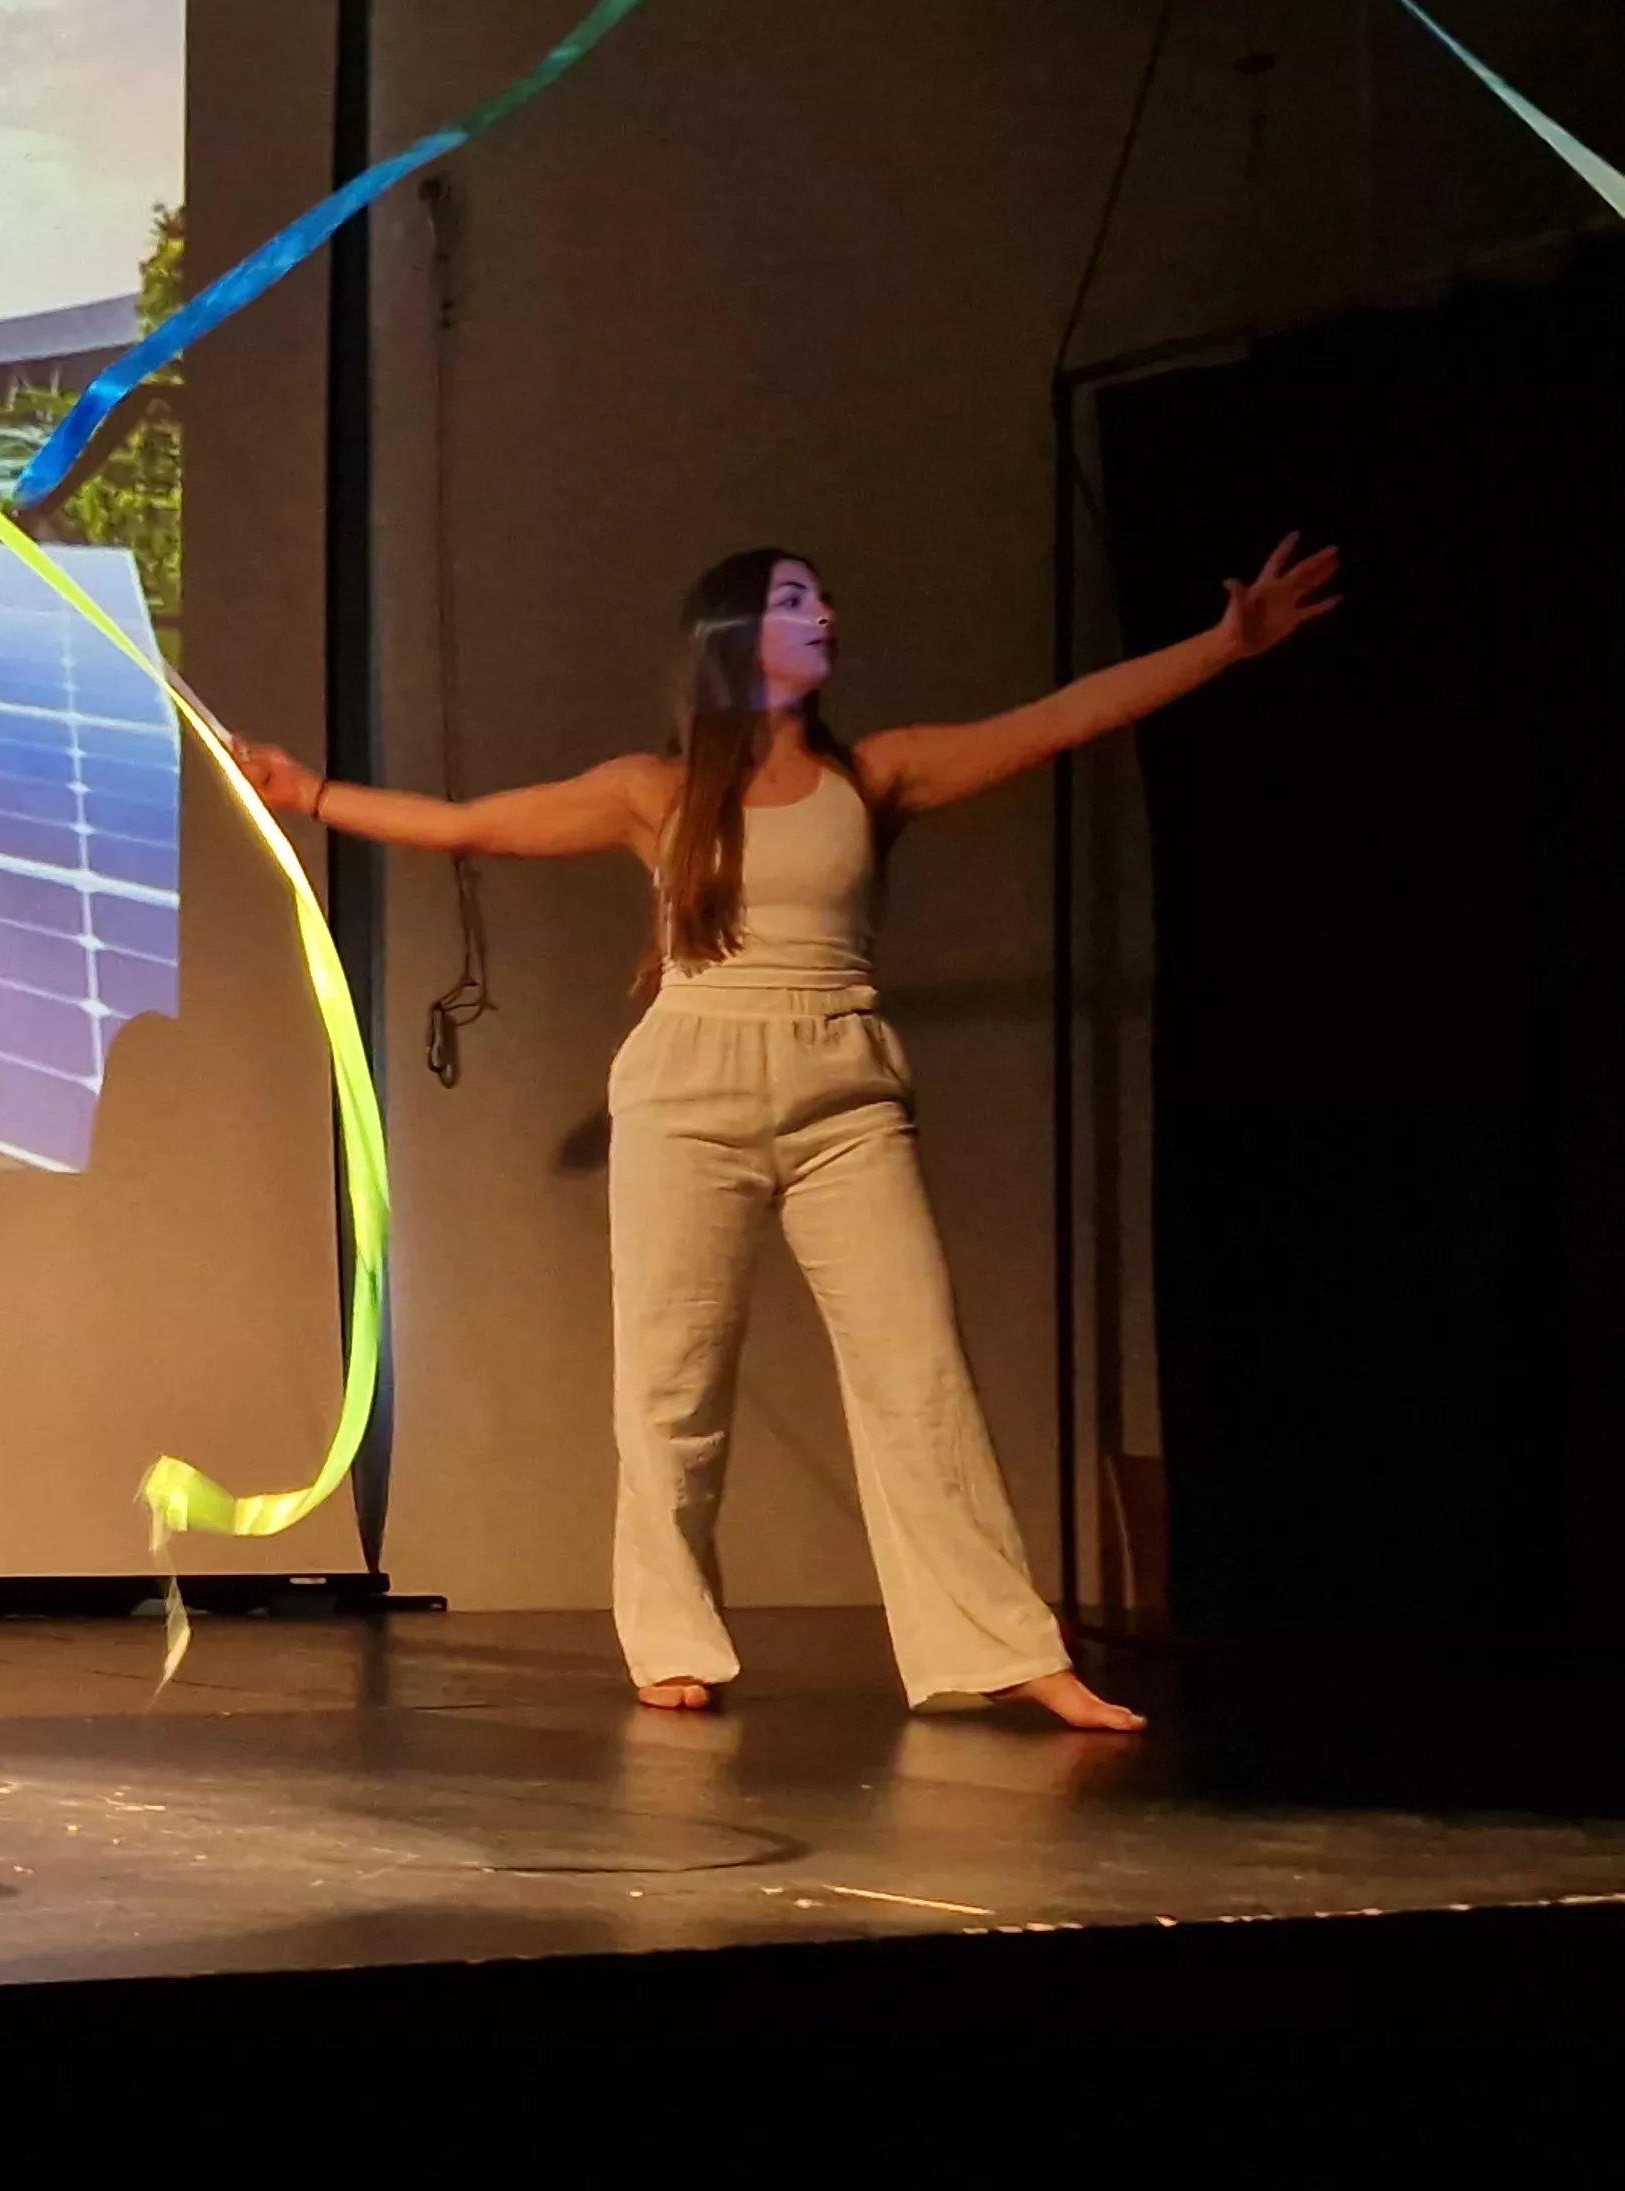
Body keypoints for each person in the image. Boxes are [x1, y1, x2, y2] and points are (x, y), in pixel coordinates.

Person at [240, 538, 1340, 1728]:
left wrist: (1222, 646)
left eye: (822, 594)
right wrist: (309, 796)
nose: (824, 611)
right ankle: (673, 1642)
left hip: (845, 1094)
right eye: (793, 597)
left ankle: (1004, 1644)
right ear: (731, 633)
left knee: (919, 1376)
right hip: (686, 1093)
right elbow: (471, 826)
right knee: (670, 1385)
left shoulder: (877, 773)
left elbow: (1063, 716)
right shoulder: (652, 791)